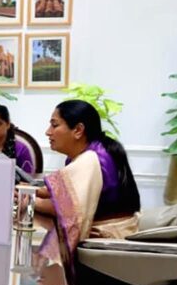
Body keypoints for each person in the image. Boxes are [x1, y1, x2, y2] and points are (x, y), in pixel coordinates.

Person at [35, 100, 140, 252]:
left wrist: (29, 200)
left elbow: (66, 207)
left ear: (78, 130)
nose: (48, 132)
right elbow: (67, 193)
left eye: (55, 125)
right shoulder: (93, 150)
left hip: (107, 240)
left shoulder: (91, 159)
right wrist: (36, 192)